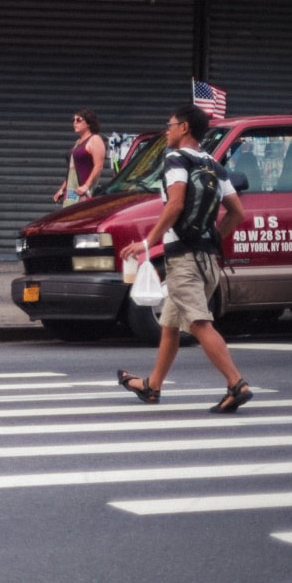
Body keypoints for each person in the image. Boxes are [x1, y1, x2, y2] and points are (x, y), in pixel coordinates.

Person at [118, 105, 255, 413]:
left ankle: (237, 383)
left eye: (170, 125)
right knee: (169, 325)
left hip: (183, 260)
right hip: (208, 260)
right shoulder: (214, 165)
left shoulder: (175, 159)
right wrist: (214, 236)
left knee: (199, 323)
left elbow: (176, 204)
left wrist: (145, 243)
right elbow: (237, 212)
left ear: (184, 128)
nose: (167, 130)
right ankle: (153, 386)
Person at [58, 109, 108, 205]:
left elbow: (98, 166)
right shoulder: (77, 143)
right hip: (72, 191)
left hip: (84, 191)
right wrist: (62, 189)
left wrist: (86, 186)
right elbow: (72, 169)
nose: (75, 123)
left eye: (78, 120)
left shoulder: (95, 139)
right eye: (73, 120)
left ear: (89, 122)